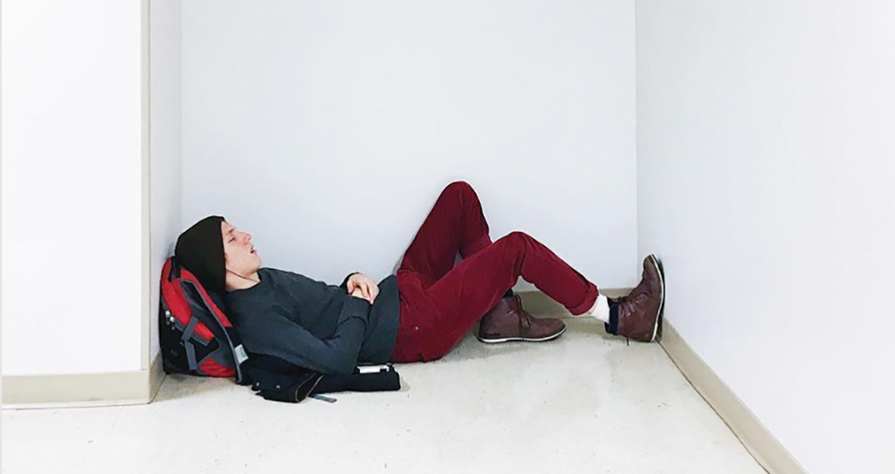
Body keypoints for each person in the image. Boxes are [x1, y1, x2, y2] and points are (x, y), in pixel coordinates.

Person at [173, 180, 665, 376]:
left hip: (398, 293)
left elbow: (322, 302)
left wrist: (351, 281)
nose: (247, 235)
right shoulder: (258, 320)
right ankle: (621, 317)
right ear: (221, 266)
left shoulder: (262, 279)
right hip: (410, 329)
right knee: (515, 248)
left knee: (459, 196)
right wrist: (358, 302)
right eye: (233, 238)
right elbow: (336, 360)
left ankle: (497, 315)